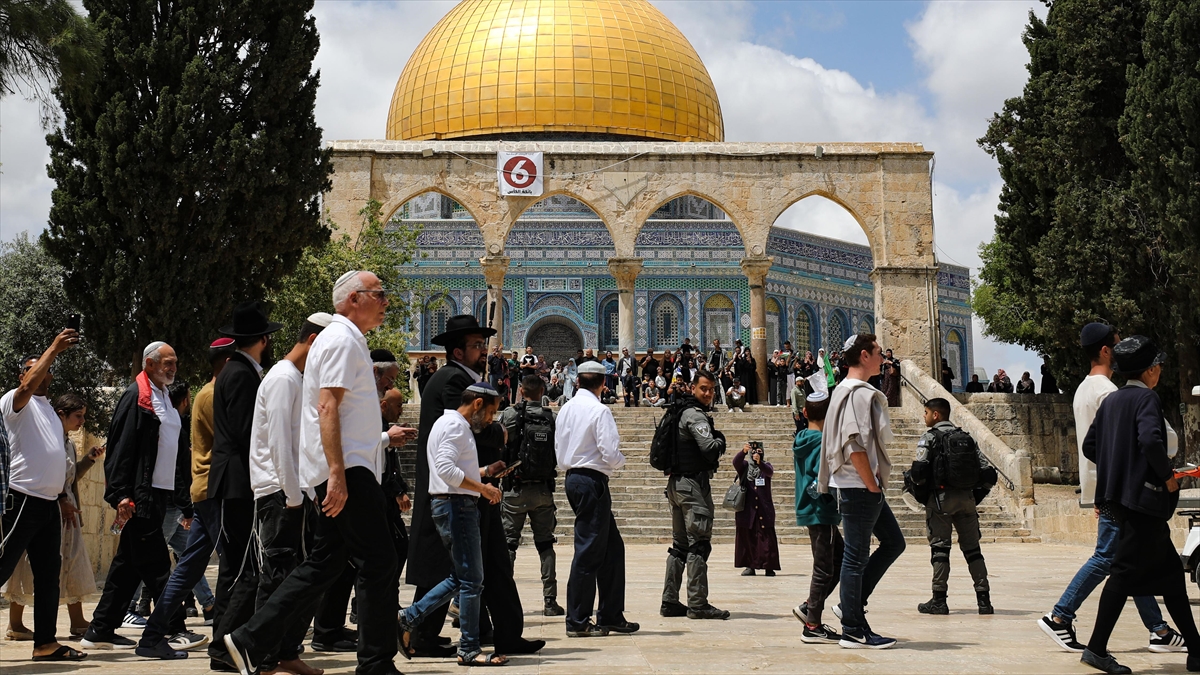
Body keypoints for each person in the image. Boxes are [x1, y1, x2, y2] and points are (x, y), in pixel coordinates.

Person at [222, 270, 408, 675]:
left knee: (324, 562)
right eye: (379, 294)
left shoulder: (341, 339)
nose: (385, 301)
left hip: (342, 468)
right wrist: (338, 472)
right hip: (348, 470)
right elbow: (327, 407)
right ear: (354, 299)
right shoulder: (342, 340)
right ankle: (376, 663)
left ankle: (250, 639)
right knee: (380, 561)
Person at [1038, 323, 1184, 654]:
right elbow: (1157, 438)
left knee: (1128, 558)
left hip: (1103, 486)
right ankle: (1060, 616)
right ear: (1106, 351)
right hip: (1122, 490)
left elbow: (1093, 446)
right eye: (1118, 345)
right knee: (1110, 558)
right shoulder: (1111, 392)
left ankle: (1157, 629)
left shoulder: (1083, 390)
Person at [1078, 336, 1200, 674]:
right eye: (1157, 364)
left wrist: (1119, 464)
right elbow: (1149, 439)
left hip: (1116, 498)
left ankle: (1196, 649)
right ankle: (1096, 648)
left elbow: (1091, 446)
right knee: (1122, 574)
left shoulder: (1112, 401)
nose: (1159, 369)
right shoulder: (1146, 399)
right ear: (1149, 370)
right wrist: (1168, 477)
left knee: (1172, 576)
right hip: (1139, 502)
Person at [81, 340, 197, 656]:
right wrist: (120, 493)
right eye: (166, 363)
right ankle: (171, 629)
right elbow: (120, 448)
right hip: (140, 497)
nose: (172, 368)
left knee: (127, 566)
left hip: (159, 495)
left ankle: (100, 629)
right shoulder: (137, 398)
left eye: (174, 363)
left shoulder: (160, 397)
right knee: (158, 564)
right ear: (148, 365)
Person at [136, 338, 235, 665]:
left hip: (206, 493)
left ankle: (152, 636)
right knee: (233, 566)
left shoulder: (210, 395)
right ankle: (227, 643)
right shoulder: (213, 395)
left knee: (189, 567)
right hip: (215, 492)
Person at [245, 312, 333, 675]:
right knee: (279, 577)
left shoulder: (293, 379)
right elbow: (281, 442)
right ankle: (262, 658)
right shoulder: (283, 379)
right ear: (313, 341)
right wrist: (294, 495)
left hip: (295, 491)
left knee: (299, 577)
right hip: (281, 493)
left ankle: (286, 652)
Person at [398, 383, 509, 666]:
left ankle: (407, 618)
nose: (490, 420)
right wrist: (482, 489)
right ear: (477, 404)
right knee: (472, 580)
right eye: (490, 412)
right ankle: (469, 648)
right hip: (456, 506)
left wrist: (483, 473)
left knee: (463, 578)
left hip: (455, 503)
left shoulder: (449, 424)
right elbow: (446, 471)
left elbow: (450, 468)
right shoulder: (456, 427)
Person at [0, 330, 90, 663]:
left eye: (47, 368)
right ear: (22, 375)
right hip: (21, 500)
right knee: (2, 567)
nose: (43, 373)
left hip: (49, 505)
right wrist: (53, 348)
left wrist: (62, 498)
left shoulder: (50, 410)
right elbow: (26, 389)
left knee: (48, 575)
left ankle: (45, 643)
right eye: (35, 369)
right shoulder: (14, 401)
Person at [816, 334, 905, 650]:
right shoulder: (855, 394)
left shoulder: (846, 390)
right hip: (859, 486)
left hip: (860, 486)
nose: (884, 359)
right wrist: (871, 483)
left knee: (894, 542)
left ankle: (851, 605)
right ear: (865, 355)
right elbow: (853, 444)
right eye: (879, 353)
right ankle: (853, 628)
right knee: (855, 557)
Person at [208, 301, 284, 663]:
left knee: (240, 567)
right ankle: (223, 646)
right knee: (241, 569)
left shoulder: (237, 370)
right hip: (237, 481)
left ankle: (226, 644)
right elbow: (244, 431)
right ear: (264, 340)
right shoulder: (240, 374)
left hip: (238, 480)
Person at [4, 393, 100, 642]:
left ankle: (56, 635)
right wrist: (60, 500)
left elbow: (65, 477)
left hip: (61, 514)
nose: (81, 421)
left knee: (61, 569)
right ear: (61, 414)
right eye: (77, 416)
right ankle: (16, 623)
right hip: (36, 507)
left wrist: (88, 460)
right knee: (19, 566)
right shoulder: (41, 435)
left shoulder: (66, 442)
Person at [555, 360, 638, 638]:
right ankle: (577, 620)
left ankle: (611, 614)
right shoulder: (598, 410)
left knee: (612, 549)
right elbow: (609, 450)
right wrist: (621, 463)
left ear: (577, 381)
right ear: (603, 384)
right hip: (592, 482)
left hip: (574, 479)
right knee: (589, 551)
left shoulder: (566, 409)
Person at [907, 398, 995, 616]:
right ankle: (984, 601)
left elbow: (918, 472)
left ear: (936, 415)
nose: (924, 416)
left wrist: (916, 488)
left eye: (926, 412)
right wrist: (975, 496)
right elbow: (988, 473)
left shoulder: (929, 437)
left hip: (940, 501)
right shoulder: (966, 438)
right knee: (973, 551)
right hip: (967, 500)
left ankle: (939, 599)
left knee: (940, 550)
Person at [660, 370, 729, 620]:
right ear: (693, 388)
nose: (708, 393)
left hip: (676, 485)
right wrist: (721, 441)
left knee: (679, 546)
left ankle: (670, 601)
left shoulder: (679, 411)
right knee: (699, 544)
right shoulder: (694, 415)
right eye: (704, 389)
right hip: (691, 487)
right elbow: (709, 449)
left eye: (711, 389)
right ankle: (698, 604)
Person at [500, 376, 565, 617]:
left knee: (508, 544)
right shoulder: (551, 418)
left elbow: (499, 444)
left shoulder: (509, 415)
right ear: (542, 391)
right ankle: (550, 601)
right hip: (543, 490)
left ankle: (503, 599)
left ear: (521, 390)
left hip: (515, 489)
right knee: (546, 544)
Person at [791, 391, 843, 644]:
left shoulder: (802, 438)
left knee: (840, 559)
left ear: (804, 413)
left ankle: (809, 606)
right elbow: (818, 480)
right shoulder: (822, 442)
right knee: (824, 567)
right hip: (821, 510)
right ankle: (812, 624)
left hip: (809, 509)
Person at [734, 442, 780, 577]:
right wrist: (743, 451)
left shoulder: (766, 466)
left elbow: (769, 472)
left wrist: (760, 463)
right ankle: (750, 566)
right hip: (748, 510)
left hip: (764, 509)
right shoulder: (745, 467)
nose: (756, 454)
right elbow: (736, 462)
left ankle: (769, 566)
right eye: (754, 452)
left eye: (759, 452)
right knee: (749, 538)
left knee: (766, 539)